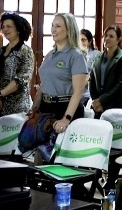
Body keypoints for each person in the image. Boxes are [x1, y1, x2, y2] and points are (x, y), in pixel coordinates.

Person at [30, 13, 88, 162]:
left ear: (68, 30)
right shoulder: (50, 54)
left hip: (65, 107)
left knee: (61, 160)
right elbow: (44, 84)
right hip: (46, 108)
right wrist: (35, 108)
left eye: (58, 26)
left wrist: (66, 119)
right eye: (52, 25)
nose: (53, 30)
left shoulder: (76, 56)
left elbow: (78, 91)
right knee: (42, 156)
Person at [0, 12, 35, 121]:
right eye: (3, 27)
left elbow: (22, 79)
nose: (5, 29)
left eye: (9, 26)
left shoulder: (26, 51)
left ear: (18, 29)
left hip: (16, 108)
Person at [89, 25, 122, 119]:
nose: (107, 38)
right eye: (105, 35)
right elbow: (91, 79)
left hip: (115, 105)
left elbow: (121, 84)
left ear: (118, 39)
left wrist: (101, 100)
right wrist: (96, 100)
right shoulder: (98, 57)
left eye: (111, 36)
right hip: (98, 106)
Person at [80, 29, 100, 106]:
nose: (81, 43)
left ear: (90, 41)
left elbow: (92, 75)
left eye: (83, 40)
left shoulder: (96, 54)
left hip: (88, 94)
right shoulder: (74, 55)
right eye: (79, 40)